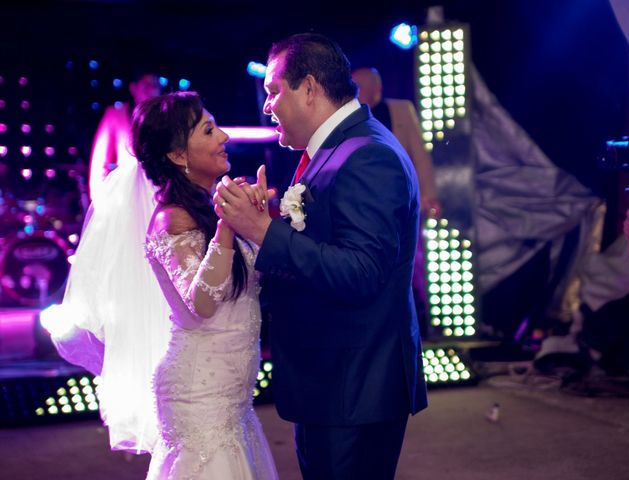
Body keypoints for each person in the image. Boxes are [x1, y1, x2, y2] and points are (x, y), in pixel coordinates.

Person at [215, 33, 428, 479]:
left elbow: (363, 271)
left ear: (309, 88)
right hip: (334, 380)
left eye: (274, 91)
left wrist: (265, 232)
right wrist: (266, 227)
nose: (267, 105)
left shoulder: (368, 155)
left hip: (353, 386)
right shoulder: (338, 149)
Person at [52, 92, 278, 479]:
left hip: (229, 394)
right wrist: (227, 226)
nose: (223, 136)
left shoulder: (205, 210)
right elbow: (203, 303)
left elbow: (249, 281)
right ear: (177, 155)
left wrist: (255, 223)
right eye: (209, 130)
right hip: (198, 394)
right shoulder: (171, 219)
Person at [352, 66, 441, 333]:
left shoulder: (400, 110)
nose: (359, 93)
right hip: (368, 206)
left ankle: (420, 323)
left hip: (402, 202)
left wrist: (429, 195)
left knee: (414, 266)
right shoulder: (349, 118)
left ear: (376, 88)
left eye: (363, 88)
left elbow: (420, 154)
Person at [88, 70, 161, 200]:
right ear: (134, 88)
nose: (151, 91)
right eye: (146, 86)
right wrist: (99, 201)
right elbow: (99, 161)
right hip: (122, 196)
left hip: (155, 195)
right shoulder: (115, 115)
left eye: (155, 86)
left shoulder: (165, 118)